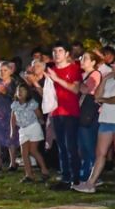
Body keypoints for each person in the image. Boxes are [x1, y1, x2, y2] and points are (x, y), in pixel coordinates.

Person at [75, 48, 115, 194]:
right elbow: (97, 94)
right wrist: (105, 79)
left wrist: (103, 99)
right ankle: (91, 182)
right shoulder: (108, 78)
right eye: (114, 65)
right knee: (100, 152)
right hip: (105, 119)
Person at [45, 42, 83, 189]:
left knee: (71, 146)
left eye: (60, 51)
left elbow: (75, 89)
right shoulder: (51, 70)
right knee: (61, 146)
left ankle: (75, 177)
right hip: (55, 112)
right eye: (54, 51)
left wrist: (57, 79)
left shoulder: (73, 69)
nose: (57, 54)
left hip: (70, 112)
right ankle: (65, 176)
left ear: (67, 53)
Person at [11, 83, 50, 183]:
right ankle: (29, 174)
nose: (20, 93)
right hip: (23, 129)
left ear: (27, 92)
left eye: (23, 91)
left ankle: (44, 170)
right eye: (19, 91)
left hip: (33, 127)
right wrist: (12, 130)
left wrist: (41, 120)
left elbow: (38, 114)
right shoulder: (15, 105)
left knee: (33, 150)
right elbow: (13, 118)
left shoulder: (32, 103)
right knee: (24, 153)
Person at [75, 51, 104, 184]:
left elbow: (87, 90)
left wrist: (76, 83)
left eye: (85, 58)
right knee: (82, 146)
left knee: (89, 145)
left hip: (90, 114)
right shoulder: (83, 75)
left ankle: (94, 175)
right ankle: (85, 172)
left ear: (93, 62)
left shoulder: (95, 74)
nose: (81, 60)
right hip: (82, 113)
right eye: (81, 57)